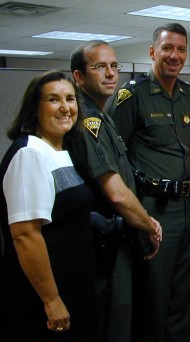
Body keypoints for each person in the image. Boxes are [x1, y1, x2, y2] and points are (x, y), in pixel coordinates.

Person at [67, 40, 162, 342]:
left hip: (117, 237)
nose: (110, 74)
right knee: (113, 322)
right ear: (79, 77)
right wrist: (149, 225)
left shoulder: (103, 115)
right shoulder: (88, 121)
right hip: (103, 243)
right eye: (99, 67)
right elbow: (116, 193)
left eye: (114, 66)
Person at [111, 23, 190, 341]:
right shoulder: (131, 95)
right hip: (154, 210)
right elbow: (114, 159)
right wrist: (136, 212)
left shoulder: (188, 93)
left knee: (183, 296)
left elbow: (189, 147)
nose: (174, 55)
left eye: (181, 49)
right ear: (152, 51)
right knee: (155, 299)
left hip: (188, 208)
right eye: (167, 48)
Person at [0, 71, 97, 341]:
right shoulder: (29, 154)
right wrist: (52, 300)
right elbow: (25, 235)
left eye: (70, 98)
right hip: (43, 296)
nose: (65, 107)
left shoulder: (57, 152)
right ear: (35, 108)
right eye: (53, 100)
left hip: (72, 284)